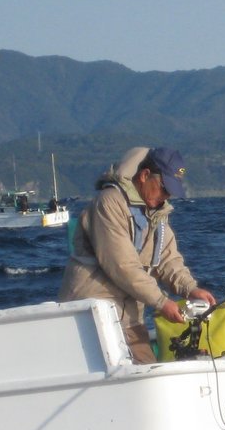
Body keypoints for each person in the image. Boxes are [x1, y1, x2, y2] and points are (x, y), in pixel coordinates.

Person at [59, 146, 216, 363]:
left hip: (129, 317)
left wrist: (190, 288)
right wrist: (162, 302)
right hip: (93, 316)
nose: (166, 196)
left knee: (148, 372)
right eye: (163, 188)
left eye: (170, 192)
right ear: (144, 176)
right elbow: (122, 265)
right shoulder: (110, 202)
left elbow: (168, 259)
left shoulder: (157, 214)